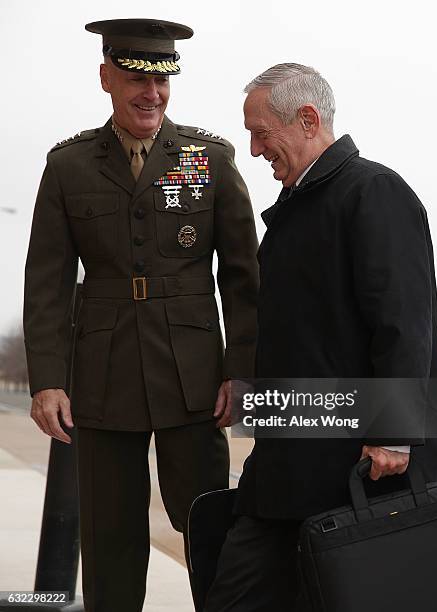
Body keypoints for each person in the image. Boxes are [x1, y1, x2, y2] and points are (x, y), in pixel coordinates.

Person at [23, 18, 259, 612]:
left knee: (207, 524)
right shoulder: (68, 166)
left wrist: (242, 370)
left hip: (196, 379)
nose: (150, 93)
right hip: (100, 380)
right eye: (135, 78)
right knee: (109, 539)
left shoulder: (207, 158)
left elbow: (243, 276)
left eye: (162, 80)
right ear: (106, 78)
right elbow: (47, 282)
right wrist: (49, 379)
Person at [204, 63, 437, 611]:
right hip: (289, 464)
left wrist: (392, 435)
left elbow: (403, 322)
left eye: (260, 132)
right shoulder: (297, 210)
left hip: (362, 469)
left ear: (308, 118)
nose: (252, 149)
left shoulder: (374, 192)